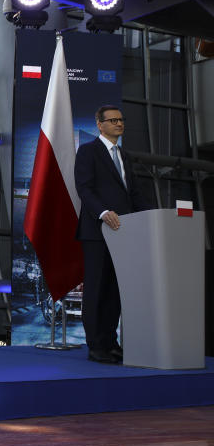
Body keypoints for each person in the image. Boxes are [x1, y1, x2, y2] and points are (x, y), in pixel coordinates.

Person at [74, 105, 153, 364]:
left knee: (115, 291)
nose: (119, 124)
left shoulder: (125, 156)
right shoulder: (88, 151)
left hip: (124, 233)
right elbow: (84, 188)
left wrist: (147, 219)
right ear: (99, 124)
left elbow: (135, 193)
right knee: (96, 289)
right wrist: (103, 211)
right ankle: (96, 345)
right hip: (98, 231)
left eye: (121, 120)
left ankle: (110, 342)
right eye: (113, 120)